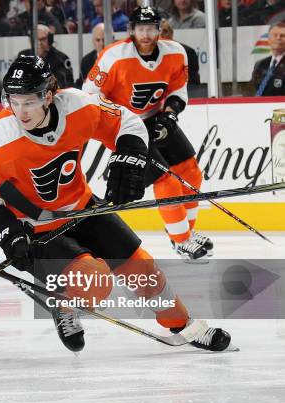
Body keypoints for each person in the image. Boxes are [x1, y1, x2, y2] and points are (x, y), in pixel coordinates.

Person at [0, 54, 232, 354]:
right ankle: (63, 299)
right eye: (14, 101)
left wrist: (130, 155)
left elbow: (126, 121)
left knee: (142, 267)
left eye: (29, 101)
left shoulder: (78, 105)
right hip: (36, 226)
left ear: (49, 96)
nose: (21, 112)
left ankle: (183, 324)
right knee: (95, 281)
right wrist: (8, 230)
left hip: (83, 207)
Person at [83, 6, 213, 263]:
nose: (145, 34)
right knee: (166, 180)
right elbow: (89, 95)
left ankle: (185, 229)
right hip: (123, 126)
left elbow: (177, 90)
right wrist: (117, 121)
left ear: (159, 29)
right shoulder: (113, 56)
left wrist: (170, 114)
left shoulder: (176, 53)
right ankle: (181, 240)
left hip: (154, 118)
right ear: (131, 30)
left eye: (151, 28)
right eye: (140, 28)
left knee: (191, 171)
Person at [159, 19, 200, 86]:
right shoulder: (145, 53)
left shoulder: (187, 52)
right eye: (158, 31)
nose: (161, 35)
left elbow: (193, 83)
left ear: (171, 34)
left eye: (165, 31)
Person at [252, 21, 285, 96]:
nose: (278, 38)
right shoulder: (260, 64)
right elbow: (253, 89)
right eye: (275, 35)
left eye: (282, 35)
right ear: (269, 39)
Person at [75, 23, 104, 87]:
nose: (102, 44)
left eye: (104, 40)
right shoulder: (86, 61)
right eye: (98, 40)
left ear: (112, 39)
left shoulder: (119, 59)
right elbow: (81, 83)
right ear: (93, 42)